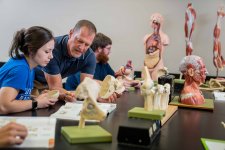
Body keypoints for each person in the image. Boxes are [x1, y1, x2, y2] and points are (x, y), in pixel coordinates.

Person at [34, 20, 118, 103]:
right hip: (32, 82)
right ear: (71, 33)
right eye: (80, 41)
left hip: (50, 87)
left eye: (87, 44)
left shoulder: (89, 56)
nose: (81, 47)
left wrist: (98, 96)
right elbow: (55, 87)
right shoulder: (53, 49)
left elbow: (86, 87)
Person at [0, 26, 57, 114]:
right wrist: (37, 103)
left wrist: (38, 98)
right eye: (47, 51)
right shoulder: (20, 69)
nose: (51, 56)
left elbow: (18, 95)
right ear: (31, 49)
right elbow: (3, 106)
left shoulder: (28, 65)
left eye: (51, 51)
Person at [65, 33, 139, 92]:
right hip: (75, 101)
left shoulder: (103, 63)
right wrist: (117, 84)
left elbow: (114, 77)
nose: (110, 52)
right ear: (99, 49)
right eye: (108, 49)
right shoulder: (81, 62)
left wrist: (130, 82)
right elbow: (88, 82)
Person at [144, 13, 169, 81]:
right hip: (147, 65)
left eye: (155, 21)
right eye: (151, 21)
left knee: (157, 87)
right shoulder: (146, 37)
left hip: (158, 66)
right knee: (145, 87)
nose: (152, 23)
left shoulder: (164, 37)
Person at [213, 6, 225, 73]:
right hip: (217, 55)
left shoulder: (216, 56)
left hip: (216, 54)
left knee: (216, 36)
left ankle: (220, 16)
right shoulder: (218, 56)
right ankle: (220, 16)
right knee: (216, 36)